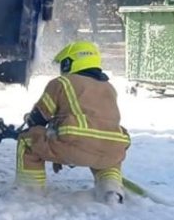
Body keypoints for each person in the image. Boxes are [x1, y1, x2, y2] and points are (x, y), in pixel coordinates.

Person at [16, 41, 130, 203]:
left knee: (27, 140)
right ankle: (110, 189)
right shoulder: (109, 88)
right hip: (111, 151)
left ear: (70, 63)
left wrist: (37, 129)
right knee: (107, 152)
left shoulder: (61, 83)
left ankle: (29, 191)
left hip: (73, 145)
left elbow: (39, 118)